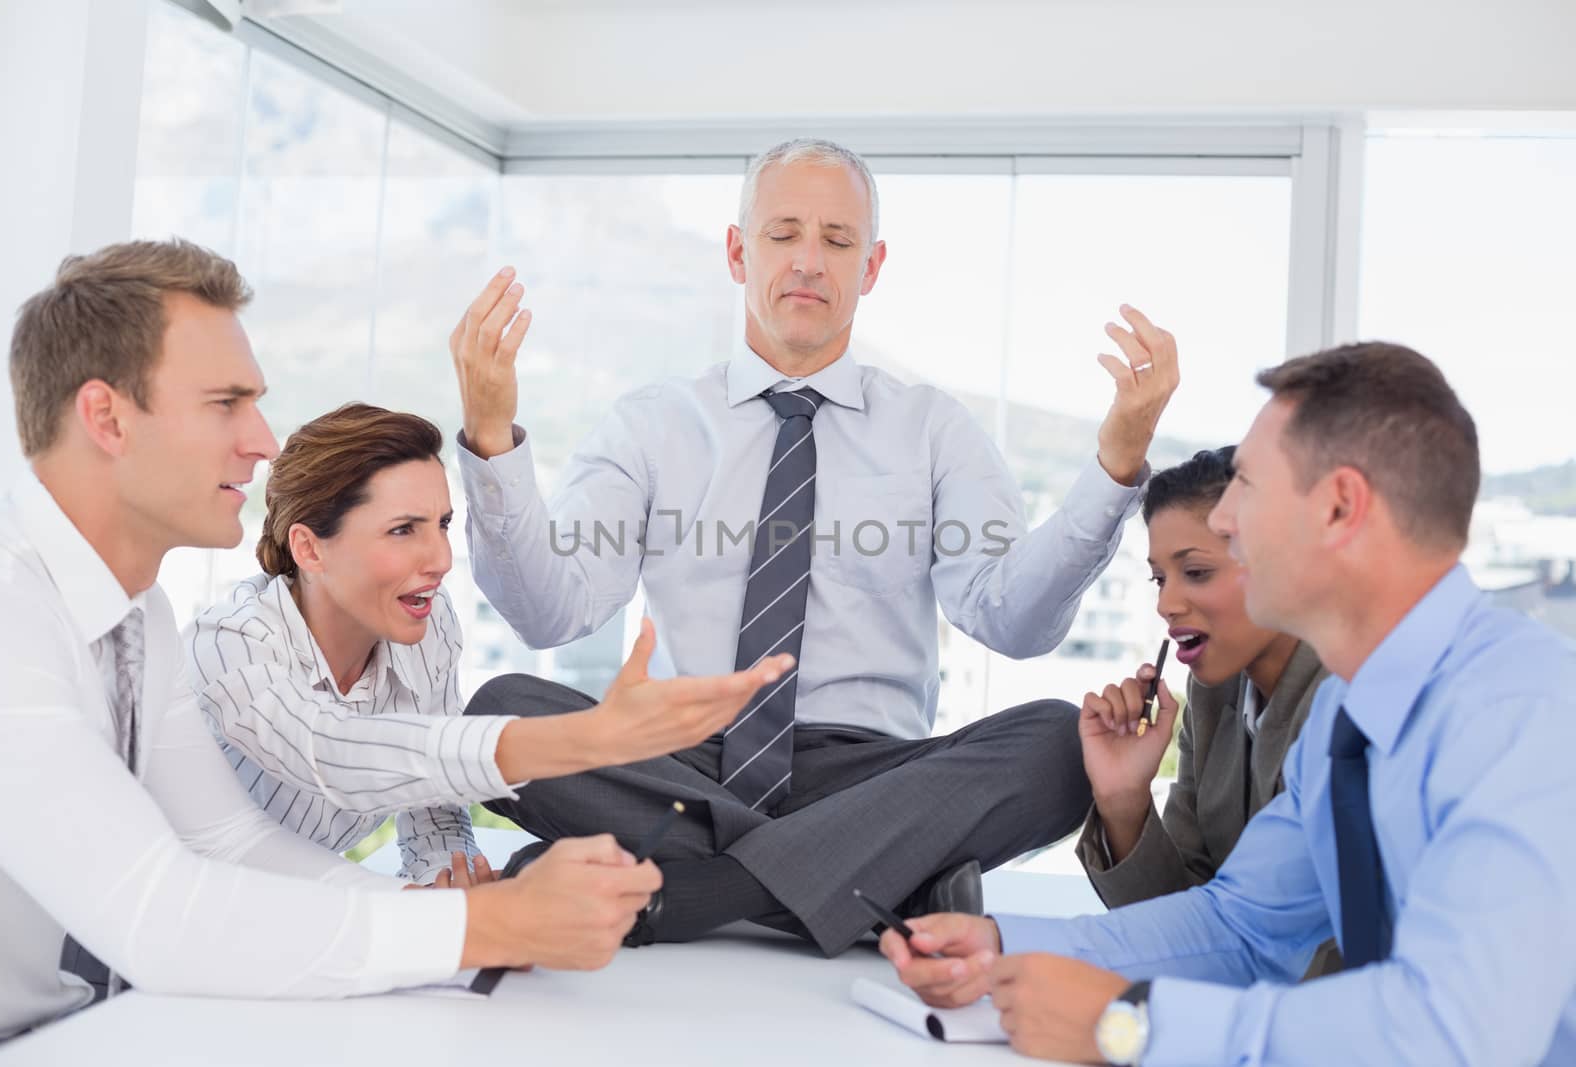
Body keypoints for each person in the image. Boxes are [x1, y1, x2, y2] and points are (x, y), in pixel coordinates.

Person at [0, 239, 780, 1047]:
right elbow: (163, 906)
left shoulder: (134, 611)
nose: (262, 440)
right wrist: (486, 920)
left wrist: (459, 913)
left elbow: (233, 839)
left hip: (79, 1019)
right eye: (226, 403)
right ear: (106, 417)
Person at [448, 137, 1181, 956]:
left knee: (1056, 742)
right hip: (674, 760)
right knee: (498, 713)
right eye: (783, 233)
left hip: (869, 774)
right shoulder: (652, 424)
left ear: (870, 267)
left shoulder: (932, 429)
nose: (808, 261)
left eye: (837, 241)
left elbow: (1014, 623)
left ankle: (695, 890)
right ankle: (876, 875)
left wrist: (1117, 461)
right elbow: (553, 612)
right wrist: (488, 434)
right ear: (737, 251)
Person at [882, 342, 1576, 1065]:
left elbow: (1454, 1035)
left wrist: (1130, 1026)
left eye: (1246, 484)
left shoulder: (1524, 716)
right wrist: (1002, 942)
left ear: (1339, 507)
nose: (1223, 521)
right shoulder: (1348, 717)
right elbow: (1244, 925)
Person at [186, 403, 792, 886]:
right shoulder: (232, 643)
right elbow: (331, 753)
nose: (442, 560)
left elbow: (430, 807)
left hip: (292, 909)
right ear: (310, 548)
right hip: (172, 922)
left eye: (442, 525)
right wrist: (590, 738)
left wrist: (451, 874)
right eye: (403, 531)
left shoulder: (424, 624)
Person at [1072, 447, 1337, 975]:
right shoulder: (1213, 699)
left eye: (1194, 571)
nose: (1166, 604)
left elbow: (1316, 951)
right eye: (1159, 579)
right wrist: (1124, 802)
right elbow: (1185, 921)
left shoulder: (1347, 701)